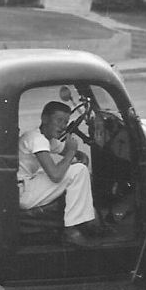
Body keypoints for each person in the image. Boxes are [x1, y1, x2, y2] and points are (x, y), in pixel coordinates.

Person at [18, 101, 99, 245]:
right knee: (79, 170)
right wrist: (72, 153)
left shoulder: (46, 140)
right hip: (23, 193)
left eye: (66, 122)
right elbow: (55, 175)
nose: (63, 126)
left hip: (24, 187)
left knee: (76, 169)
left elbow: (70, 154)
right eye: (59, 120)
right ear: (44, 119)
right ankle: (71, 228)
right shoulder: (37, 139)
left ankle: (83, 220)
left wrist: (75, 156)